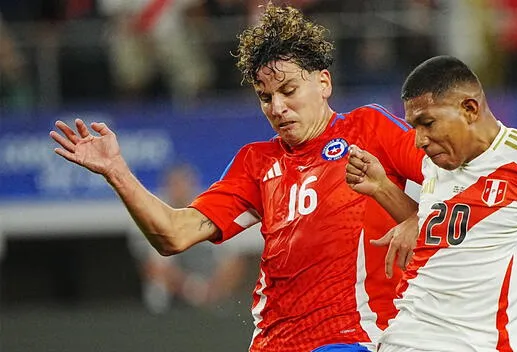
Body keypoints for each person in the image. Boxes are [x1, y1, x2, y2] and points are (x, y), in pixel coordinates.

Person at [49, 4, 425, 351]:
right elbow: (174, 234)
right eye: (265, 97)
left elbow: (459, 178)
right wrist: (117, 172)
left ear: (323, 83)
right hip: (270, 343)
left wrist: (416, 217)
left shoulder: (369, 128)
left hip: (351, 338)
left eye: (288, 90)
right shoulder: (256, 163)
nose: (277, 107)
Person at [345, 55, 517, 352]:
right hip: (401, 338)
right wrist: (383, 188)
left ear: (469, 109)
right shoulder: (436, 167)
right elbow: (442, 242)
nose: (419, 141)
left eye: (428, 123)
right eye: (414, 127)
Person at [127, 162, 248, 314]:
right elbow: (153, 268)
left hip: (212, 296)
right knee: (158, 282)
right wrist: (190, 289)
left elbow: (234, 262)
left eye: (183, 183)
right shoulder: (149, 214)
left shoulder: (212, 210)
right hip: (171, 301)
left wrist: (213, 290)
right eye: (174, 184)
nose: (179, 190)